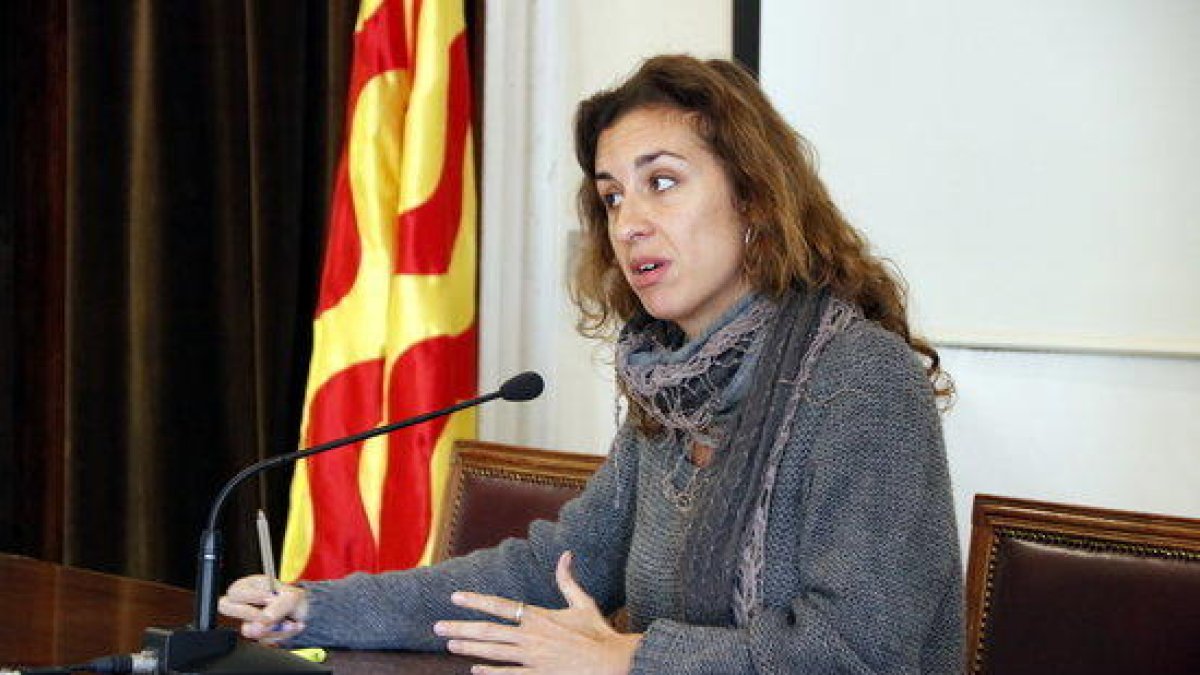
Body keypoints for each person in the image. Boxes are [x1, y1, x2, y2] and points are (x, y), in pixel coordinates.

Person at [220, 54, 963, 674]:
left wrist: (629, 658)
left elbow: (859, 651)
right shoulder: (671, 388)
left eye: (661, 182)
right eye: (612, 198)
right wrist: (320, 605)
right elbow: (553, 570)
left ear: (754, 198)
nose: (630, 222)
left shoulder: (862, 380)